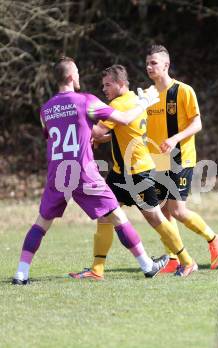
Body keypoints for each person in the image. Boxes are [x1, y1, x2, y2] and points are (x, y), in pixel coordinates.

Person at [12, 57, 168, 285]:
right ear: (69, 77)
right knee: (117, 216)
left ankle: (21, 273)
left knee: (41, 223)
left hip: (58, 173)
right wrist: (143, 103)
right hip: (84, 172)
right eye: (76, 72)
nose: (78, 75)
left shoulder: (45, 110)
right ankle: (147, 265)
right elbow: (124, 119)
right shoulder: (86, 101)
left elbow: (71, 133)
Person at [68, 64, 197, 280]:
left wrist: (74, 123)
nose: (104, 89)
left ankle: (188, 261)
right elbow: (124, 132)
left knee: (155, 219)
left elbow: (97, 131)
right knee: (105, 216)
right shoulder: (136, 101)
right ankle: (97, 269)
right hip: (120, 174)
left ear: (121, 84)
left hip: (137, 174)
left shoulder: (118, 105)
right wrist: (102, 137)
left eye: (108, 84)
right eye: (103, 85)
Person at [143, 45, 218, 273]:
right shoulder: (148, 95)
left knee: (177, 210)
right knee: (162, 211)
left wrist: (174, 138)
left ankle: (214, 238)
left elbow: (197, 123)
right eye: (148, 63)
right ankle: (173, 258)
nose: (149, 67)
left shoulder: (183, 91)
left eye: (154, 63)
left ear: (166, 65)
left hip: (181, 157)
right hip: (158, 160)